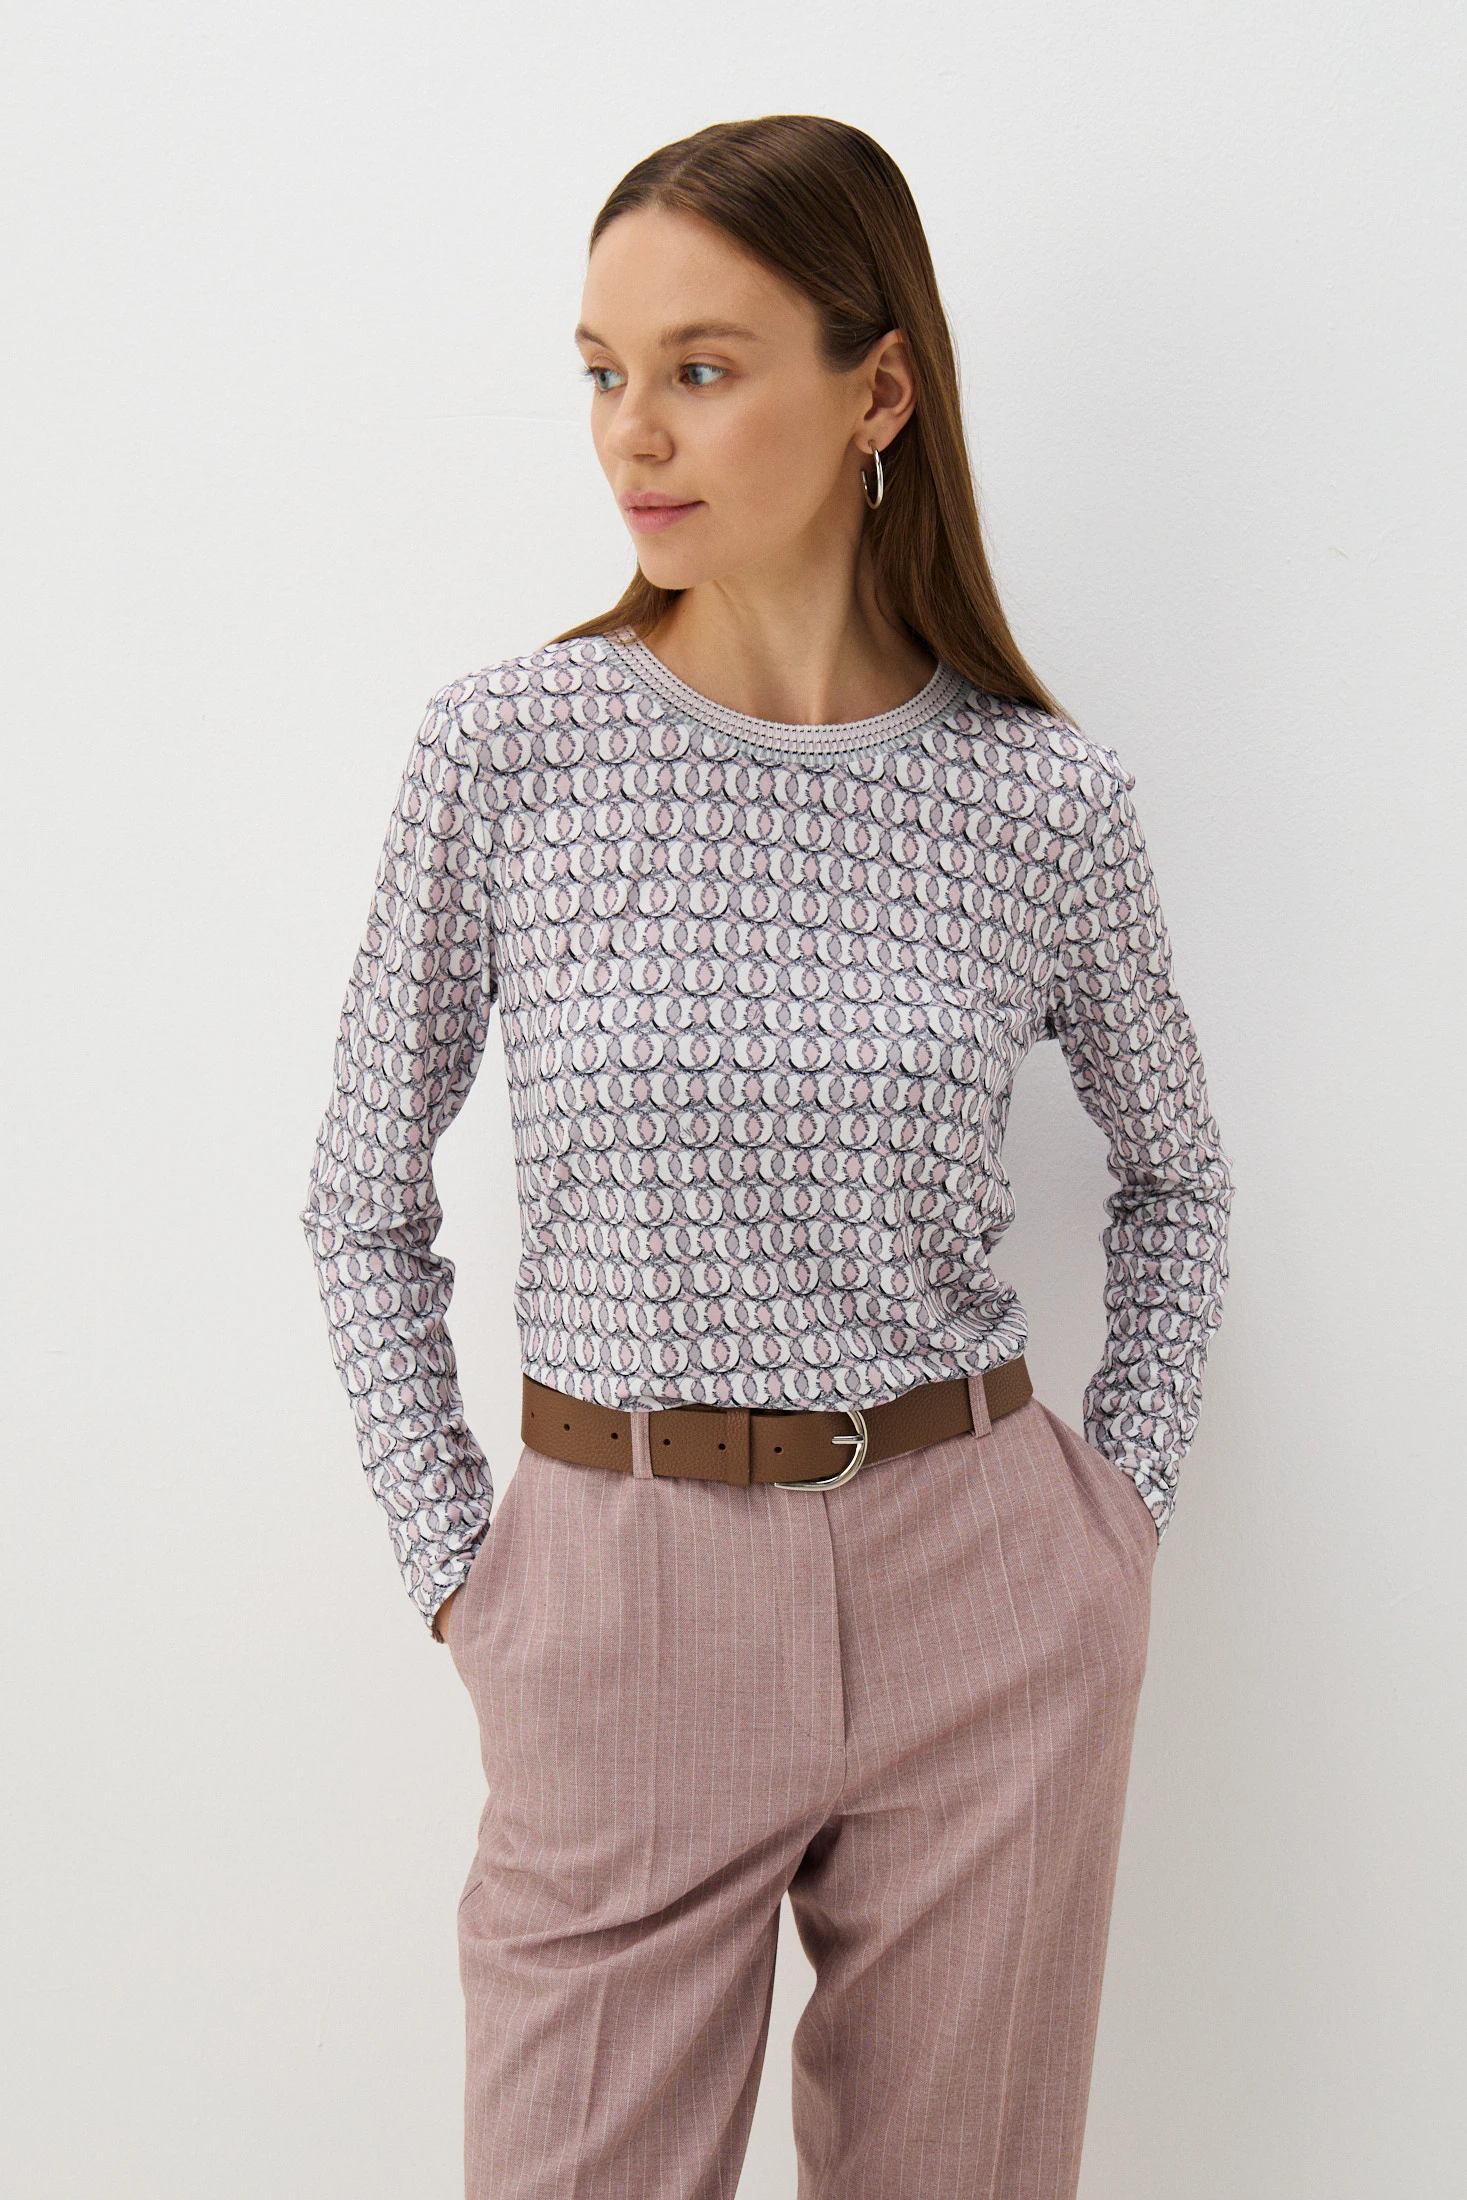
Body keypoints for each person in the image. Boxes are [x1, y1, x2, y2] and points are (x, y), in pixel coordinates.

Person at [300, 113, 1232, 2200]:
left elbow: (1176, 1175)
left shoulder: (1043, 801)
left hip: (984, 1592)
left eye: (701, 369)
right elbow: (361, 1194)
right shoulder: (507, 750)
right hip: (616, 1591)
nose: (632, 432)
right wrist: (464, 1569)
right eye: (601, 371)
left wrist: (1113, 1520)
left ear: (875, 390)